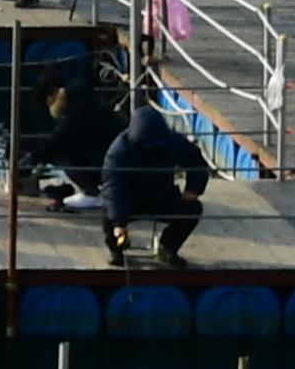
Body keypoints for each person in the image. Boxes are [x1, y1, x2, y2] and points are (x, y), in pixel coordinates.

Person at [100, 104, 209, 263]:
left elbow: (196, 162)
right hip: (131, 200)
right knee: (108, 212)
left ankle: (167, 247)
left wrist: (193, 188)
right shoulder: (119, 152)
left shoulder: (172, 141)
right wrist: (119, 223)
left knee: (193, 208)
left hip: (162, 195)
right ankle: (116, 250)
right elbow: (114, 188)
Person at [19, 72, 124, 202]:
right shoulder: (83, 97)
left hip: (106, 165)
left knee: (60, 152)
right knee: (54, 147)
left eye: (47, 102)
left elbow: (60, 139)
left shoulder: (78, 108)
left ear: (53, 92)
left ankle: (91, 193)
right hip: (108, 158)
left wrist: (31, 158)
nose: (50, 107)